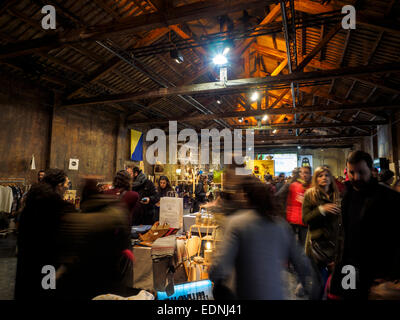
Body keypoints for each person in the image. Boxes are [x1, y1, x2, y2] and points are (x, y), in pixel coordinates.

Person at [209, 176, 312, 300]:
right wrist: (304, 285)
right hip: (276, 294)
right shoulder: (281, 225)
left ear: (244, 195)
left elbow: (220, 267)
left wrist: (214, 276)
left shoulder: (237, 223)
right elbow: (302, 263)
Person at [329, 151, 400, 299]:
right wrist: (338, 262)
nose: (356, 177)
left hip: (378, 273)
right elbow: (345, 233)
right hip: (349, 268)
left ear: (372, 171)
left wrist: (392, 274)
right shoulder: (347, 198)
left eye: (361, 172)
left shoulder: (389, 198)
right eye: (352, 172)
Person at [56, 179, 133, 299]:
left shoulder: (73, 219)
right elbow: (123, 241)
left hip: (80, 278)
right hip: (109, 277)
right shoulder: (116, 211)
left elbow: (66, 250)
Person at [15, 169, 75, 300]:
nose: (67, 187)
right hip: (48, 261)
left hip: (28, 257)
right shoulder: (60, 207)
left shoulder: (31, 201)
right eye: (67, 184)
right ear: (59, 185)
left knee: (27, 290)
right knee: (47, 292)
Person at [302, 166, 341, 300]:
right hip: (316, 246)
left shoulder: (337, 194)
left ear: (331, 178)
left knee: (335, 283)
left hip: (334, 245)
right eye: (320, 175)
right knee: (318, 283)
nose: (324, 178)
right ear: (316, 178)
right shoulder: (310, 194)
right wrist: (321, 210)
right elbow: (305, 218)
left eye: (327, 175)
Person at [286, 166, 312, 248]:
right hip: (292, 220)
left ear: (310, 174)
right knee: (290, 245)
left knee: (303, 246)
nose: (304, 175)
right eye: (302, 172)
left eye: (306, 173)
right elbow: (288, 202)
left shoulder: (312, 188)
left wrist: (306, 201)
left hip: (305, 221)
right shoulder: (293, 186)